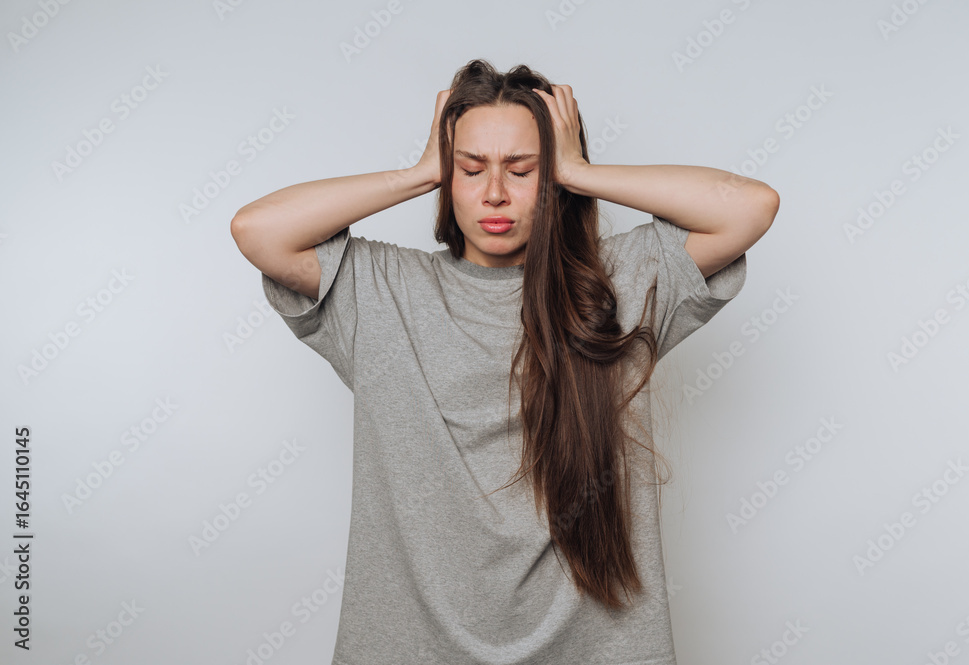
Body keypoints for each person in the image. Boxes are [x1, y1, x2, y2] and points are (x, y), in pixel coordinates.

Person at [231, 59, 778, 665]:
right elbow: (257, 229)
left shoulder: (618, 284)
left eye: (523, 170)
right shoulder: (379, 288)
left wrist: (577, 171)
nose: (495, 192)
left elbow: (750, 206)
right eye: (470, 169)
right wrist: (419, 173)